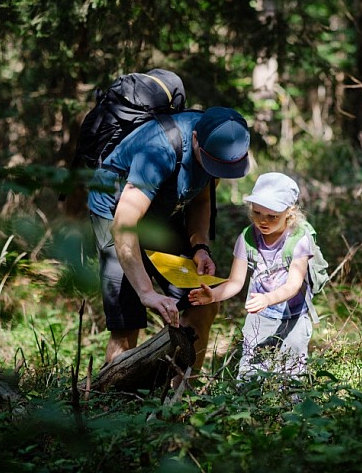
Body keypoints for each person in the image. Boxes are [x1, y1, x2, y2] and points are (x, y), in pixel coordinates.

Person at [88, 106, 251, 368]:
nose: (217, 171)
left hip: (162, 211)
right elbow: (124, 224)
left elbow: (201, 199)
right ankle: (116, 399)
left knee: (203, 301)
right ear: (196, 139)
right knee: (128, 321)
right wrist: (146, 291)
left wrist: (200, 247)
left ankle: (184, 395)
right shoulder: (159, 151)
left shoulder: (218, 151)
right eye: (212, 163)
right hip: (115, 213)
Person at [188, 172, 315, 379]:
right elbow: (235, 282)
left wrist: (268, 298)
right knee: (250, 372)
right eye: (257, 213)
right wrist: (213, 295)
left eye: (272, 216)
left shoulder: (299, 239)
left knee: (292, 374)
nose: (262, 221)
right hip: (260, 317)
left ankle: (291, 407)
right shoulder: (247, 237)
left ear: (289, 213)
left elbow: (293, 285)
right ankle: (246, 408)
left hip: (294, 317)